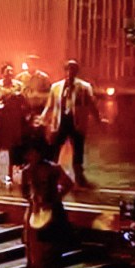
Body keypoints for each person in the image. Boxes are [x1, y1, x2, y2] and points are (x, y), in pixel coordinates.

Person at [20, 138, 74, 268]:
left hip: (52, 210)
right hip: (36, 211)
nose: (31, 156)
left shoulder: (52, 168)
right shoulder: (26, 171)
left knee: (52, 243)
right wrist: (32, 201)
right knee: (34, 242)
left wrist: (55, 197)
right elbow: (23, 191)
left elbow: (68, 183)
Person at [40, 59, 102, 188]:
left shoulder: (84, 87)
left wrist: (98, 120)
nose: (70, 72)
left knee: (78, 150)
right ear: (65, 71)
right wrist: (42, 119)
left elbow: (92, 105)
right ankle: (52, 173)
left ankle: (79, 176)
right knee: (55, 148)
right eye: (68, 69)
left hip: (76, 123)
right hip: (60, 121)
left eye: (73, 69)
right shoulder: (56, 87)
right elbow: (50, 105)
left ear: (76, 71)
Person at [0, 63, 28, 186]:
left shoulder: (19, 86)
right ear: (2, 73)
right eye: (7, 71)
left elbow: (25, 101)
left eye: (11, 71)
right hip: (0, 118)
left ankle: (9, 173)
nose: (10, 73)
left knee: (12, 147)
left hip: (13, 119)